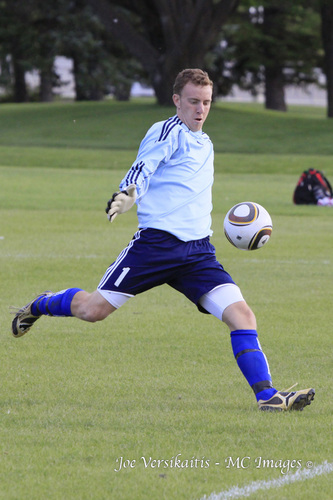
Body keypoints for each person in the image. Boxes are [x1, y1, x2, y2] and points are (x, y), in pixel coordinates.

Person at [11, 68, 314, 412]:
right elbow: (144, 166)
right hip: (155, 247)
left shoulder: (206, 142)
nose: (200, 109)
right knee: (92, 310)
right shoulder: (168, 131)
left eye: (206, 102)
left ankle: (268, 397)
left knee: (242, 315)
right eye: (193, 102)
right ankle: (41, 304)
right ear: (176, 101)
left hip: (198, 254)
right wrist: (128, 194)